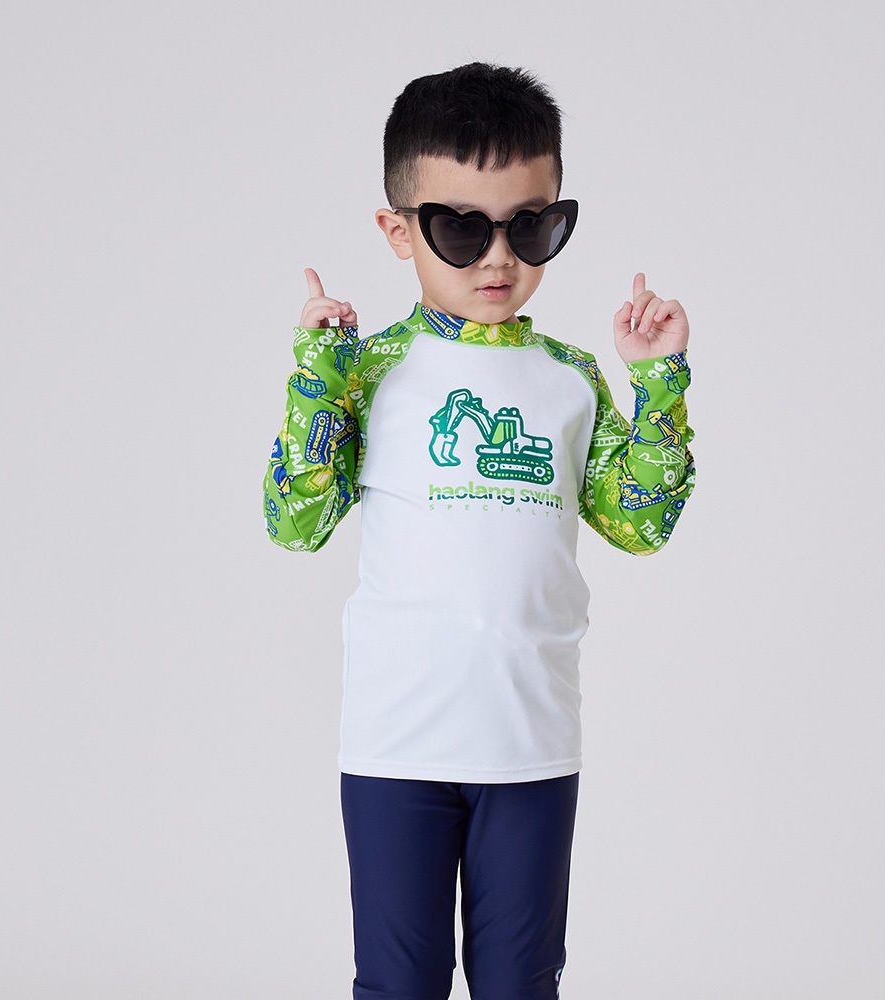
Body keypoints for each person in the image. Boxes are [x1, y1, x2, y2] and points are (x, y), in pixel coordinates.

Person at [263, 62, 695, 1000]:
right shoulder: (368, 370)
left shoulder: (572, 377)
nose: (499, 258)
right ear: (398, 230)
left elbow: (639, 523)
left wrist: (659, 382)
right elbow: (295, 523)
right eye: (461, 229)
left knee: (520, 983)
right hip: (396, 744)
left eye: (531, 226)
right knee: (397, 983)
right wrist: (315, 381)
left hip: (530, 741)